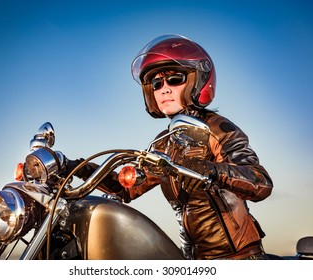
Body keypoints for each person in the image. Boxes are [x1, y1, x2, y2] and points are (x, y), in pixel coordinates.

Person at [67, 34, 273, 260]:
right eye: (156, 83)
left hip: (239, 258)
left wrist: (209, 170)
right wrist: (76, 167)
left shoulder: (216, 127)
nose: (163, 88)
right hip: (194, 260)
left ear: (197, 81)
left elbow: (260, 181)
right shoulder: (164, 142)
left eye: (174, 79)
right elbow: (127, 189)